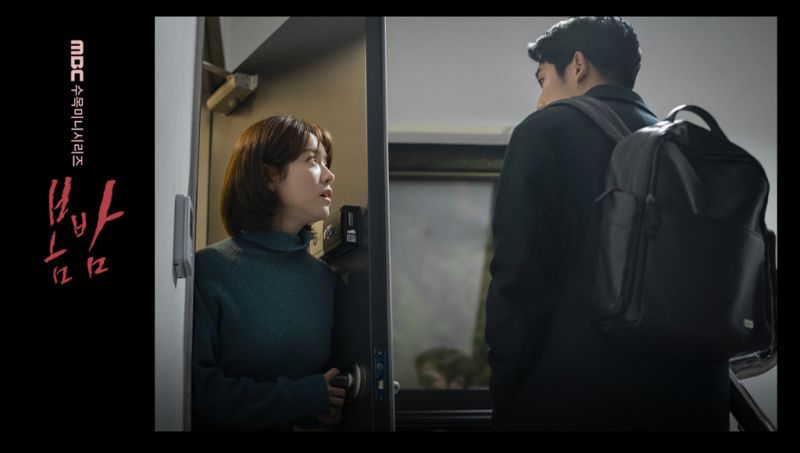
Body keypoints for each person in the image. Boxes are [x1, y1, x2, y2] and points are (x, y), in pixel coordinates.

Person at [484, 17, 730, 431]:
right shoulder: (686, 149)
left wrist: (506, 393)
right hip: (695, 399)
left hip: (579, 400)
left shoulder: (544, 131)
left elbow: (517, 277)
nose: (540, 100)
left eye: (543, 80)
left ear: (578, 65)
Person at [192, 115, 346, 431]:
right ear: (269, 177)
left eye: (327, 163)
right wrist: (302, 398)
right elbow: (198, 392)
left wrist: (325, 407)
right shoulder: (207, 270)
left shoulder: (327, 280)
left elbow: (321, 393)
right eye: (312, 160)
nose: (329, 175)